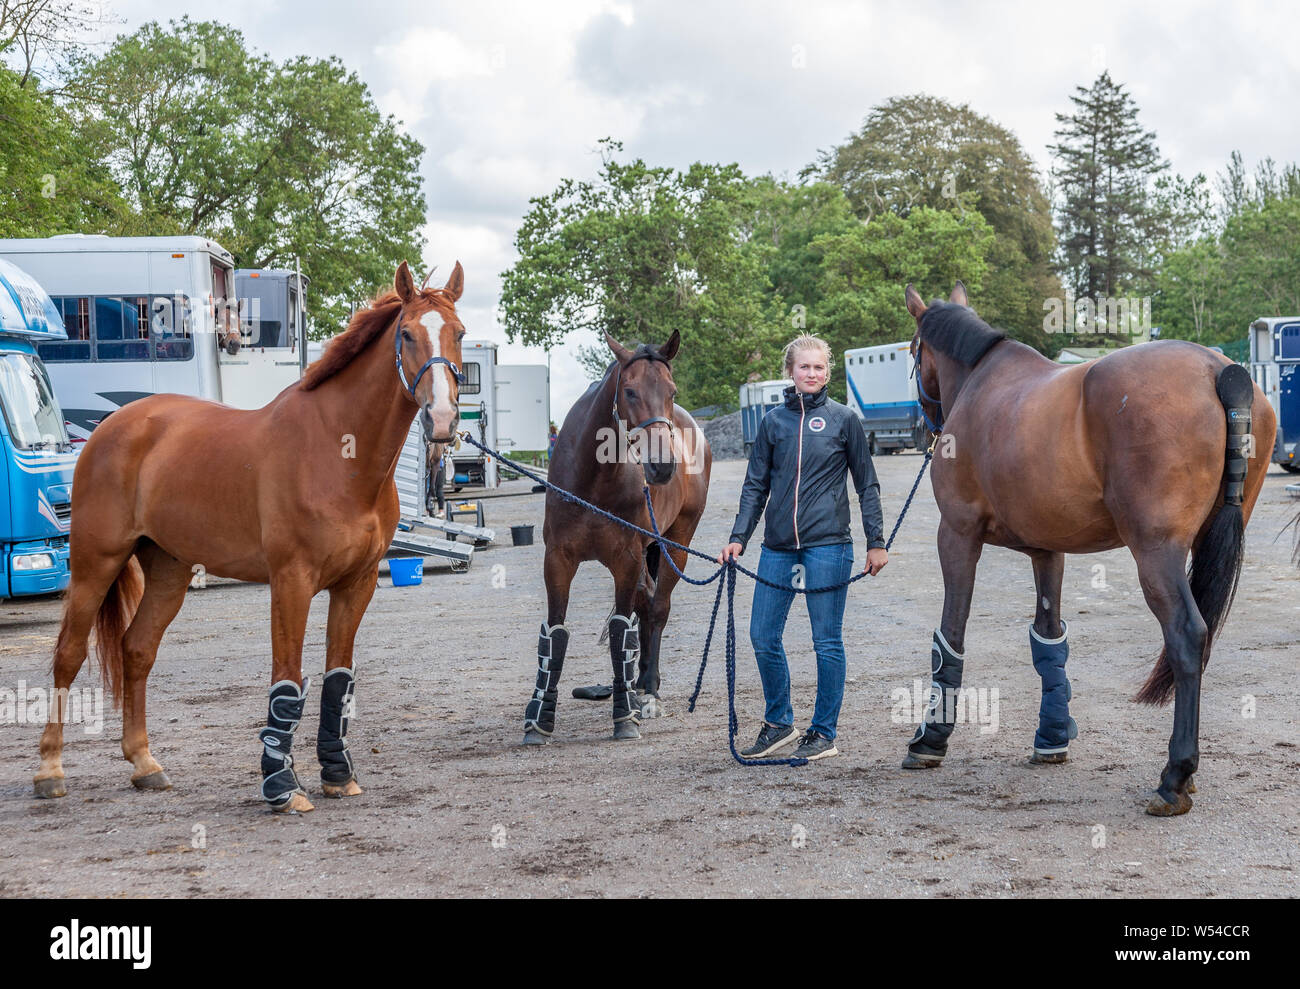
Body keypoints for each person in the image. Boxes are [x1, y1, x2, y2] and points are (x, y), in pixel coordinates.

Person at [718, 335, 888, 761]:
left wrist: (877, 541)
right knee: (762, 635)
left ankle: (823, 732)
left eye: (818, 368)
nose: (812, 374)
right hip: (777, 547)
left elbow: (866, 484)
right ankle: (779, 723)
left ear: (826, 372)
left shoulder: (844, 420)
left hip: (829, 547)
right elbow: (755, 486)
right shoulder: (772, 423)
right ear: (790, 372)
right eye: (804, 367)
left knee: (826, 641)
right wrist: (739, 537)